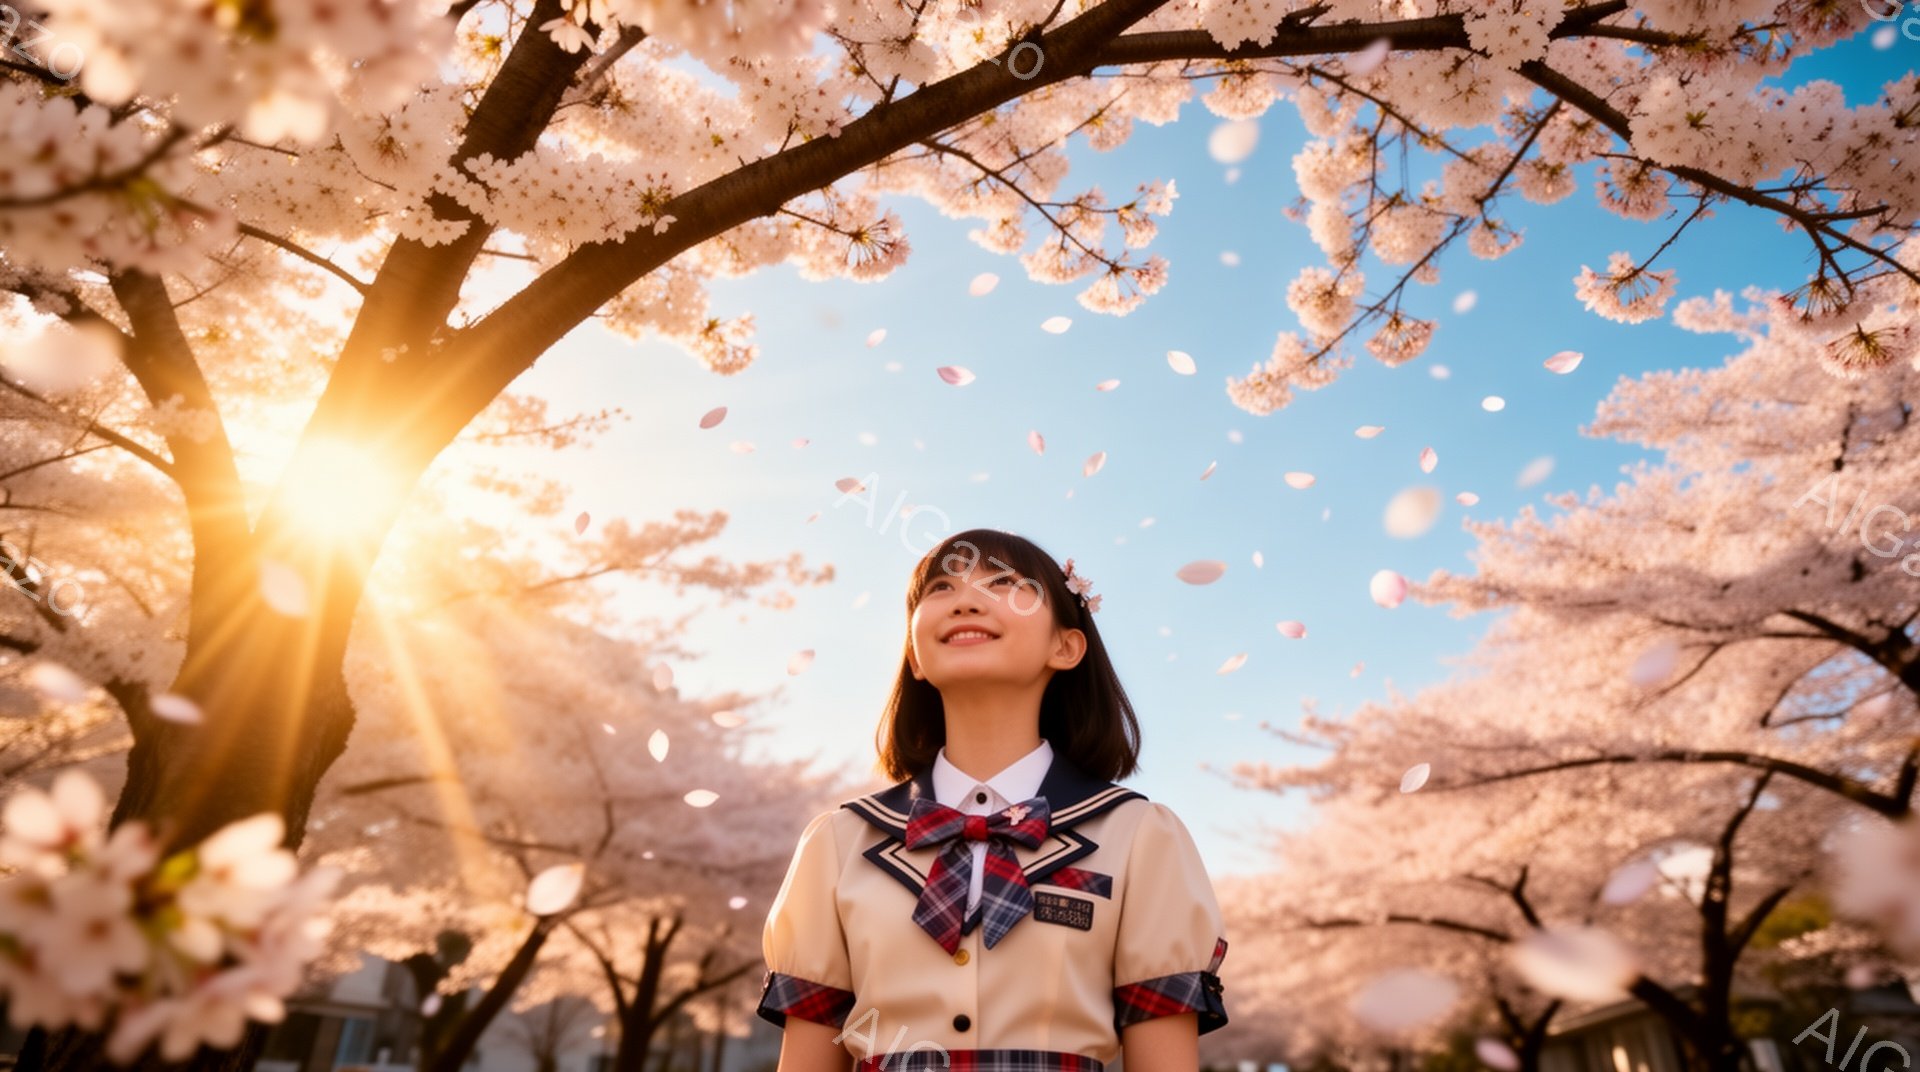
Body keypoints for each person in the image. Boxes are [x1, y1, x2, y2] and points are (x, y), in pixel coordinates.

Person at [756, 528, 1230, 1072]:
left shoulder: (1142, 837)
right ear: (914, 653)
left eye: (1005, 582)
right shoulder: (836, 844)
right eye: (940, 588)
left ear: (1066, 645)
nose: (965, 599)